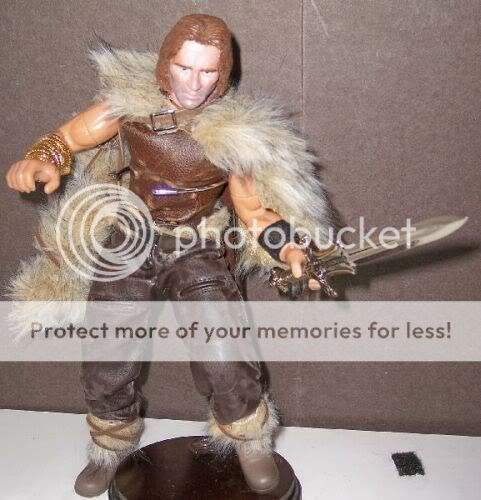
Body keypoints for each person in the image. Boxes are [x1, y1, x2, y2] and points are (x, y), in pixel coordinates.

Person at [6, 14, 331, 497]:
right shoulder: (130, 105)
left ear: (222, 74)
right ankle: (110, 444)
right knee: (109, 347)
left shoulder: (231, 133)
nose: (194, 83)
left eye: (207, 72)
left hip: (197, 243)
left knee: (222, 346)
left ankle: (249, 439)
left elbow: (253, 209)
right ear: (165, 65)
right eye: (184, 68)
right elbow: (69, 137)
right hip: (131, 238)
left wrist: (286, 245)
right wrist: (43, 157)